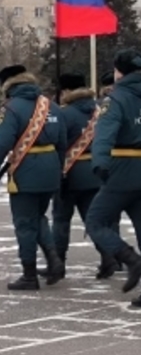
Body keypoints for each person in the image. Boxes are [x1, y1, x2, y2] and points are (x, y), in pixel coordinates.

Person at [85, 49, 141, 306]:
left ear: (119, 72)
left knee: (95, 222)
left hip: (122, 170)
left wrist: (100, 165)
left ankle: (131, 260)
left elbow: (104, 134)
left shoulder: (115, 99)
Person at [0, 65, 66, 290]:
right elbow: (63, 143)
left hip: (26, 172)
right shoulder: (52, 106)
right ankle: (54, 260)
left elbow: (2, 143)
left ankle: (29, 275)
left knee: (25, 224)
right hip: (50, 170)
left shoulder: (11, 108)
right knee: (38, 218)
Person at [53, 73, 112, 278]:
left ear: (66, 91)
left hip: (69, 174)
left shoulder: (64, 113)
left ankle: (58, 263)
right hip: (95, 172)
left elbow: (59, 144)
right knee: (94, 220)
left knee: (61, 220)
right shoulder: (99, 110)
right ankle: (108, 258)